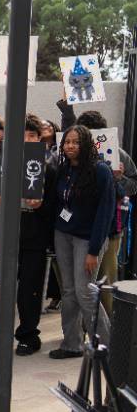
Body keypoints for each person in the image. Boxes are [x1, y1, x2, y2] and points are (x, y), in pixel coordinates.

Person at [0, 114, 57, 356]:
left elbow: (55, 207)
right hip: (5, 237)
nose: (26, 139)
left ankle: (27, 335)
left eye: (32, 135)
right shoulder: (0, 167)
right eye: (22, 135)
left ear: (40, 139)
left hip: (34, 238)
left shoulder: (48, 169)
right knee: (2, 288)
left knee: (30, 290)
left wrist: (41, 206)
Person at [56, 104, 137, 315]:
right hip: (74, 230)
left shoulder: (117, 155)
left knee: (103, 283)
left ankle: (108, 336)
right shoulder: (68, 163)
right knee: (76, 287)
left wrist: (118, 179)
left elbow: (132, 187)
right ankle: (78, 338)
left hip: (109, 230)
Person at [50, 125, 115, 359]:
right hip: (63, 234)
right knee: (68, 292)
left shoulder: (100, 171)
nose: (70, 146)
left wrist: (94, 250)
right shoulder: (64, 168)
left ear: (86, 143)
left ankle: (109, 348)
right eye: (67, 142)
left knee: (85, 292)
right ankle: (72, 344)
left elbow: (105, 213)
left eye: (76, 142)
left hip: (88, 240)